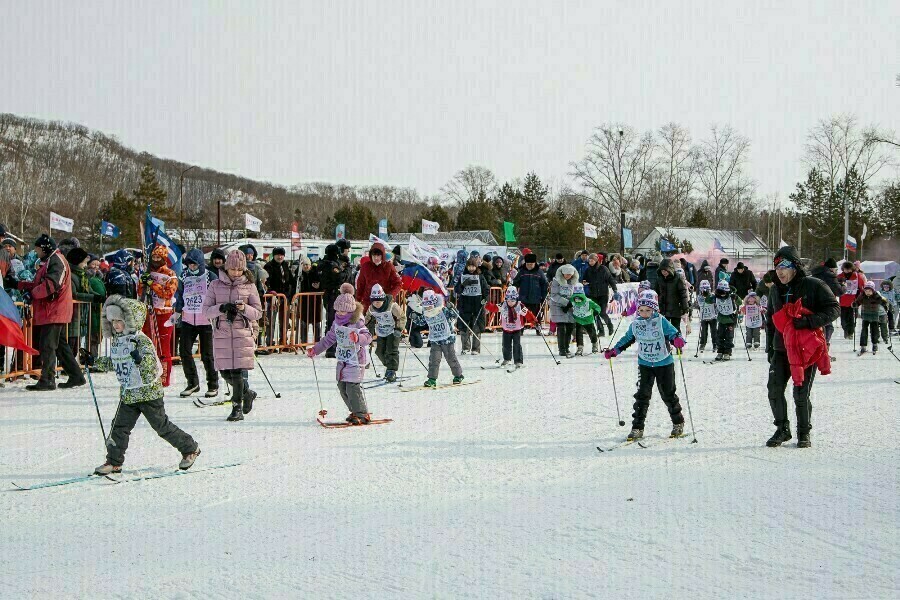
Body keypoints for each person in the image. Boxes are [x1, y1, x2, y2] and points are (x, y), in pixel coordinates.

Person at [93, 295, 200, 475]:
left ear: (131, 320)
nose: (116, 325)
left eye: (120, 321)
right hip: (129, 393)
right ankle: (113, 461)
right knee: (119, 427)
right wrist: (96, 362)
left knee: (161, 426)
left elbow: (152, 367)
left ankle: (190, 448)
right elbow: (116, 362)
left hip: (149, 393)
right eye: (113, 322)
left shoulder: (141, 340)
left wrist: (140, 359)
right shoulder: (118, 341)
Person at [765, 246, 838, 448]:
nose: (780, 271)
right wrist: (770, 347)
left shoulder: (814, 285)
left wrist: (809, 321)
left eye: (785, 266)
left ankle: (804, 432)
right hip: (781, 348)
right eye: (777, 266)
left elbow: (834, 308)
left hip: (806, 349)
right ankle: (782, 429)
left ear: (795, 267)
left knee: (800, 393)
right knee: (774, 390)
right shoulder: (774, 289)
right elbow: (770, 320)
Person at [604, 290, 687, 442]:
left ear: (654, 309)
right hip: (645, 363)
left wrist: (677, 340)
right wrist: (615, 350)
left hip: (664, 363)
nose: (644, 313)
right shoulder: (636, 324)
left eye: (648, 310)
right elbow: (627, 338)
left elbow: (674, 333)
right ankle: (637, 427)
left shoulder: (661, 321)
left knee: (668, 394)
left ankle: (678, 422)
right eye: (641, 310)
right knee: (642, 396)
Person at [202, 250, 263, 422]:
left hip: (241, 333)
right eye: (233, 269)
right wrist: (221, 308)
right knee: (224, 371)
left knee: (237, 372)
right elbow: (206, 310)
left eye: (239, 270)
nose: (236, 273)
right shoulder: (215, 285)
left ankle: (237, 408)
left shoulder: (249, 286)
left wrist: (244, 308)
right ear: (226, 268)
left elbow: (258, 312)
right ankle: (247, 392)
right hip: (222, 332)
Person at [19, 234, 85, 391]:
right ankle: (76, 375)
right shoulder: (51, 260)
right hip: (54, 310)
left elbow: (51, 284)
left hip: (54, 310)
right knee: (60, 345)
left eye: (37, 249)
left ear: (44, 248)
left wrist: (33, 293)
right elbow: (41, 283)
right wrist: (21, 285)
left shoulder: (57, 260)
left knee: (47, 345)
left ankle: (47, 379)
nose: (36, 252)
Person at [307, 283, 374, 424]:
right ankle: (354, 410)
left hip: (356, 359)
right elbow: (329, 339)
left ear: (350, 311)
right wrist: (316, 349)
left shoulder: (357, 323)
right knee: (341, 385)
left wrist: (358, 338)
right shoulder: (336, 323)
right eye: (338, 311)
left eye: (343, 312)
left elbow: (368, 337)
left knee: (352, 386)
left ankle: (362, 413)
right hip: (343, 359)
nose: (340, 314)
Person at [174, 249, 219, 398]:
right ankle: (192, 383)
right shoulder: (184, 276)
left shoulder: (209, 276)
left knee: (207, 355)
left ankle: (213, 384)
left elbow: (217, 295)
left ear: (200, 264)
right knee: (184, 351)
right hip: (188, 319)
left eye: (194, 265)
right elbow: (179, 295)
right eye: (189, 265)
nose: (192, 267)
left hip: (205, 320)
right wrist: (177, 311)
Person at [137, 245, 178, 387]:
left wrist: (152, 284)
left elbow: (168, 293)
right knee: (147, 345)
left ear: (164, 258)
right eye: (153, 257)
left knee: (163, 347)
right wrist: (142, 282)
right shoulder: (148, 272)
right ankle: (148, 374)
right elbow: (140, 291)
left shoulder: (170, 274)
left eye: (158, 257)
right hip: (148, 311)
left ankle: (164, 379)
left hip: (164, 314)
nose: (155, 260)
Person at [419, 290, 464, 387]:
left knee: (451, 358)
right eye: (425, 305)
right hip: (435, 340)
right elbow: (421, 322)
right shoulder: (426, 313)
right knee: (434, 360)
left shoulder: (442, 310)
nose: (428, 307)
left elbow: (454, 315)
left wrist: (452, 308)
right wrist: (414, 317)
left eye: (429, 305)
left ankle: (458, 375)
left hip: (447, 338)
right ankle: (432, 379)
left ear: (434, 303)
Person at [365, 283, 406, 382]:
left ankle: (391, 371)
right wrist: (363, 327)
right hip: (381, 331)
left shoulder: (392, 306)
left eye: (379, 301)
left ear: (383, 299)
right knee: (379, 352)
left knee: (391, 351)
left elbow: (402, 317)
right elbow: (367, 319)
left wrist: (399, 329)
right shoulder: (371, 308)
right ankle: (389, 366)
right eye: (374, 301)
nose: (377, 304)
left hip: (393, 331)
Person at [66, 247, 102, 360]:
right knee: (71, 342)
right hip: (72, 314)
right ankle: (65, 366)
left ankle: (70, 366)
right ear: (77, 262)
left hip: (81, 315)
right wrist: (92, 298)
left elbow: (89, 290)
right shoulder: (71, 276)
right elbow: (74, 294)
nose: (86, 266)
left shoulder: (83, 276)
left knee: (76, 343)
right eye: (84, 263)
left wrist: (99, 296)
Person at [454, 257, 489, 355]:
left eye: (473, 266)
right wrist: (463, 285)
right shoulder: (462, 276)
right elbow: (457, 290)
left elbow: (486, 289)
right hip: (465, 305)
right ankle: (465, 347)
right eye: (469, 266)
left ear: (476, 266)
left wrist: (485, 299)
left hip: (477, 305)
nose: (471, 268)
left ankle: (475, 349)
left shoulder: (480, 276)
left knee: (476, 327)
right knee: (464, 327)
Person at [354, 242, 402, 312]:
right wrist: (358, 301)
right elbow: (360, 285)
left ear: (382, 255)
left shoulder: (389, 267)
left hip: (385, 303)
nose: (376, 258)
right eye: (374, 255)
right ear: (370, 255)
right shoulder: (365, 267)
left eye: (378, 255)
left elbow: (398, 283)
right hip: (368, 304)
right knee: (368, 322)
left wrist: (390, 296)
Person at [582, 253, 619, 337]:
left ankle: (610, 325)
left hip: (603, 294)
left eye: (592, 260)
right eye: (589, 260)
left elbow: (611, 280)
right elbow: (584, 280)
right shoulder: (588, 270)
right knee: (595, 313)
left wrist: (615, 290)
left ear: (596, 261)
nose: (590, 262)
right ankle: (601, 331)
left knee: (602, 312)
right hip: (593, 294)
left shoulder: (603, 269)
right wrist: (584, 283)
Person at [496, 286, 532, 369]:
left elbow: (528, 314)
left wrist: (535, 322)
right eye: (508, 300)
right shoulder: (503, 305)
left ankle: (518, 361)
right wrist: (486, 305)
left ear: (516, 299)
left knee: (517, 345)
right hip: (506, 329)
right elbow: (494, 308)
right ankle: (506, 359)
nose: (510, 302)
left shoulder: (520, 306)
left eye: (512, 300)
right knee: (506, 345)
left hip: (517, 329)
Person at [512, 253, 548, 335]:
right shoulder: (522, 272)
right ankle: (520, 329)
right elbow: (516, 282)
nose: (529, 266)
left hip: (536, 297)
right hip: (523, 297)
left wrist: (544, 296)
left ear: (535, 263)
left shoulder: (539, 272)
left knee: (536, 315)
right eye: (528, 264)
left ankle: (538, 329)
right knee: (522, 314)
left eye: (531, 264)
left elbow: (544, 284)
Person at [654, 258, 689, 335]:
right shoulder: (659, 279)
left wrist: (685, 308)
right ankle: (666, 346)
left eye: (666, 270)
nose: (664, 273)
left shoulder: (678, 278)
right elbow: (655, 293)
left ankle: (678, 345)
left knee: (675, 329)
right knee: (664, 329)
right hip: (663, 308)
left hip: (675, 308)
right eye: (662, 271)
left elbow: (683, 294)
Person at [549, 264, 578, 358]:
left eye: (570, 275)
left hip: (569, 305)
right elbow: (553, 295)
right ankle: (562, 349)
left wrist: (572, 302)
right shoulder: (556, 281)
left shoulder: (573, 282)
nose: (568, 276)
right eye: (566, 275)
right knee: (561, 328)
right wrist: (565, 302)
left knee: (570, 327)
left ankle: (567, 347)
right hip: (557, 305)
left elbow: (573, 293)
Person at [853, 281, 889, 355]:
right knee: (864, 331)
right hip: (865, 316)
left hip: (874, 316)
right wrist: (855, 304)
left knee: (874, 331)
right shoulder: (862, 295)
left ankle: (875, 345)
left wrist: (885, 305)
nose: (868, 292)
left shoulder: (876, 296)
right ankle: (863, 346)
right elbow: (857, 302)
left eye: (869, 291)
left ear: (873, 290)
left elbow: (883, 301)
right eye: (866, 291)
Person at [570, 284, 603, 355]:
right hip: (578, 319)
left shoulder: (588, 301)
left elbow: (597, 307)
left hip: (588, 320)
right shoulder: (572, 300)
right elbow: (569, 304)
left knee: (592, 333)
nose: (577, 300)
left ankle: (594, 345)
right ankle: (580, 347)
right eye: (576, 297)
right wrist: (566, 308)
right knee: (578, 334)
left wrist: (596, 311)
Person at [836, 261, 865, 339]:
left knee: (852, 319)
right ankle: (846, 330)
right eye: (846, 269)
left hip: (853, 301)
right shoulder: (839, 276)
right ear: (843, 269)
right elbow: (835, 287)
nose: (847, 271)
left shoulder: (857, 276)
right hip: (843, 301)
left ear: (852, 269)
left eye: (849, 269)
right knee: (843, 320)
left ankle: (850, 332)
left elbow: (862, 287)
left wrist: (860, 297)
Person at [712, 280, 740, 361]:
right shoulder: (716, 297)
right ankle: (720, 351)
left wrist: (736, 297)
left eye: (724, 293)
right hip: (721, 319)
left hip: (731, 319)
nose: (722, 295)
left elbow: (740, 302)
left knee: (729, 336)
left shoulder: (731, 296)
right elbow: (708, 300)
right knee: (720, 336)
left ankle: (727, 352)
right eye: (720, 293)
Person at [697, 280, 718, 353]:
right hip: (704, 317)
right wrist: (704, 296)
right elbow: (700, 304)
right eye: (703, 289)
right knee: (703, 332)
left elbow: (715, 303)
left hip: (713, 317)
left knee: (714, 331)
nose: (705, 291)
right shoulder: (699, 296)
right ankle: (702, 344)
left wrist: (709, 296)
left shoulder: (712, 296)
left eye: (707, 289)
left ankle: (715, 344)